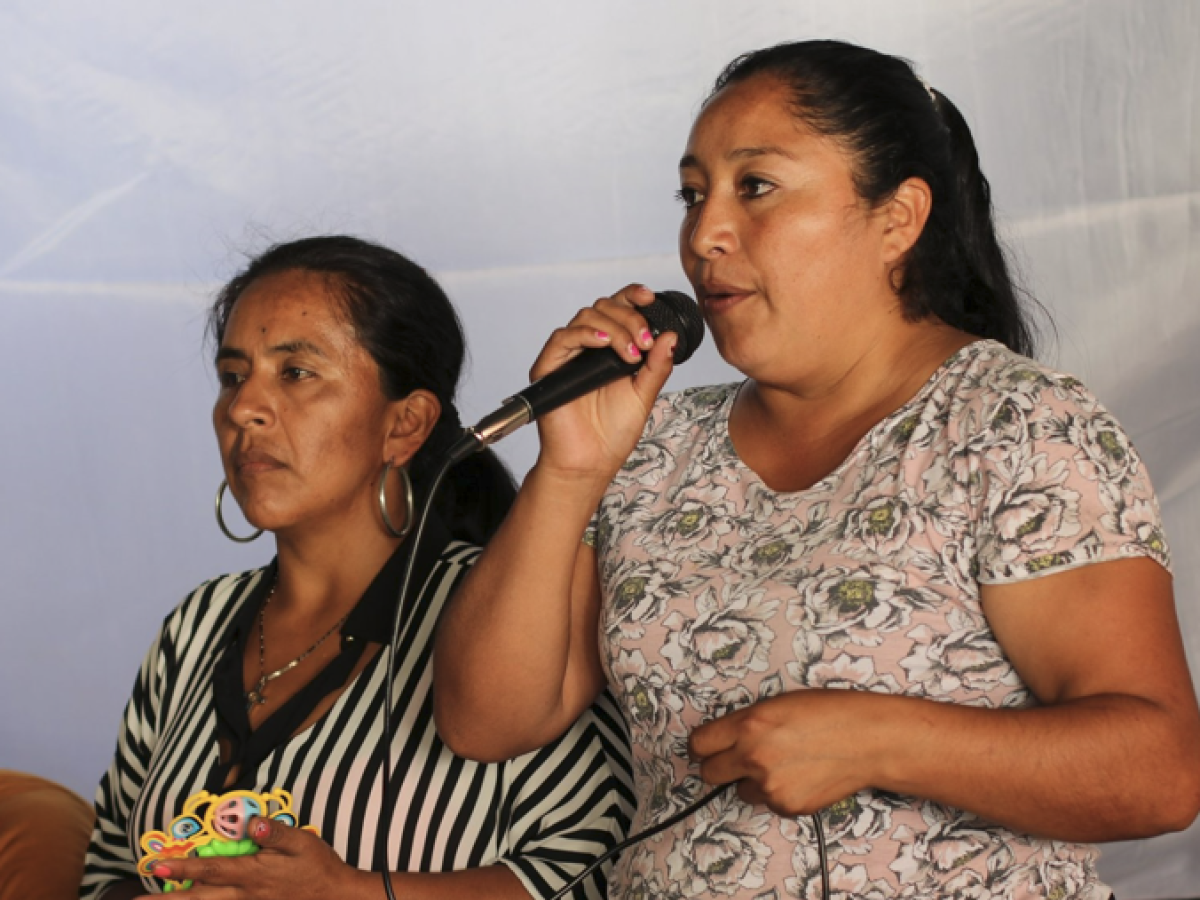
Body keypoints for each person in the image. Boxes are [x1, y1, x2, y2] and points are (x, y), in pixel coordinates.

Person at [433, 40, 1200, 900]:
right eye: (693, 195)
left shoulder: (1012, 423)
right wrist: (569, 471)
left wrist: (879, 741)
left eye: (754, 186)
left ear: (898, 218)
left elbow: (1158, 771)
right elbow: (486, 721)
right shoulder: (652, 445)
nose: (704, 234)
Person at [80, 236, 632, 900]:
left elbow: (598, 870)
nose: (242, 409)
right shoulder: (197, 625)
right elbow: (107, 865)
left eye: (295, 373)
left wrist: (351, 892)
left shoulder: (512, 616)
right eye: (233, 376)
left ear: (405, 425)